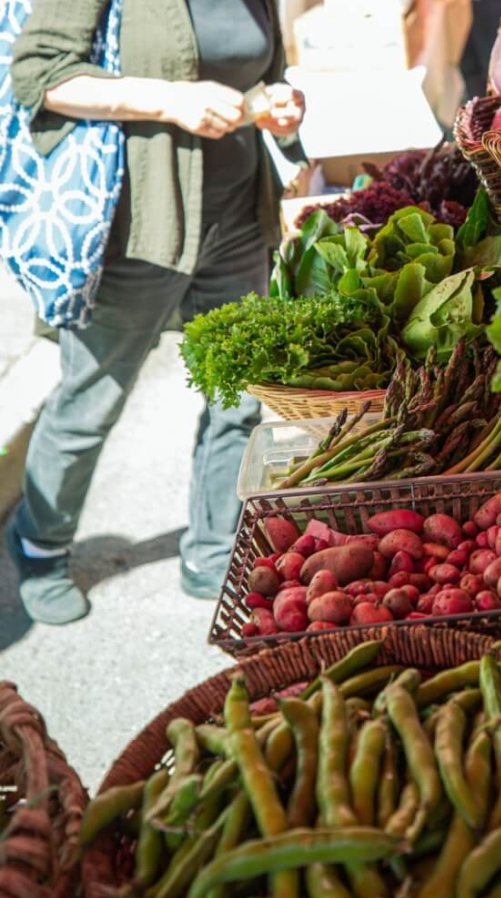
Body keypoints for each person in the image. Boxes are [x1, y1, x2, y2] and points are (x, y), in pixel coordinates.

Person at [5, 0, 306, 625]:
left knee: (238, 399)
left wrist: (280, 109)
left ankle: (213, 548)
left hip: (237, 219)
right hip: (137, 226)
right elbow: (39, 73)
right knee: (93, 399)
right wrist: (168, 100)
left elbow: (263, 69)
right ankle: (39, 545)